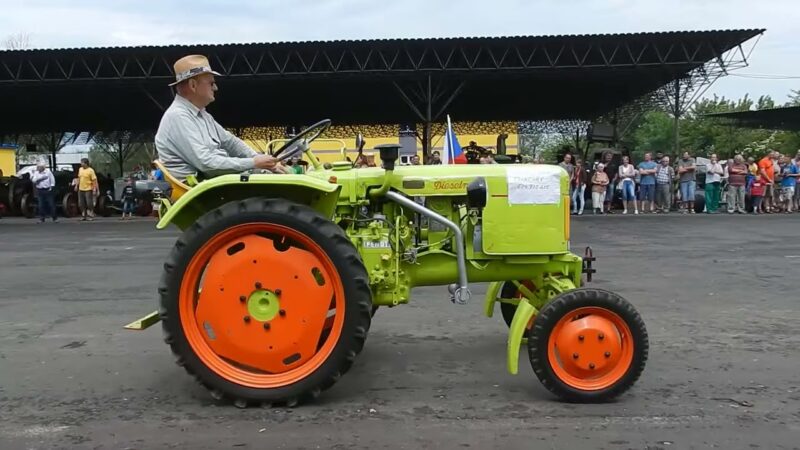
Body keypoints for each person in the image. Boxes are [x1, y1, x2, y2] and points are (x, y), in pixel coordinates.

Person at [155, 54, 286, 183]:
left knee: (274, 177)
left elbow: (230, 142)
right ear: (193, 85)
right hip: (198, 184)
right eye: (211, 83)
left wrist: (261, 159)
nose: (215, 88)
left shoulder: (203, 116)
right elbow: (206, 163)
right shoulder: (178, 117)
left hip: (209, 180)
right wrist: (254, 162)